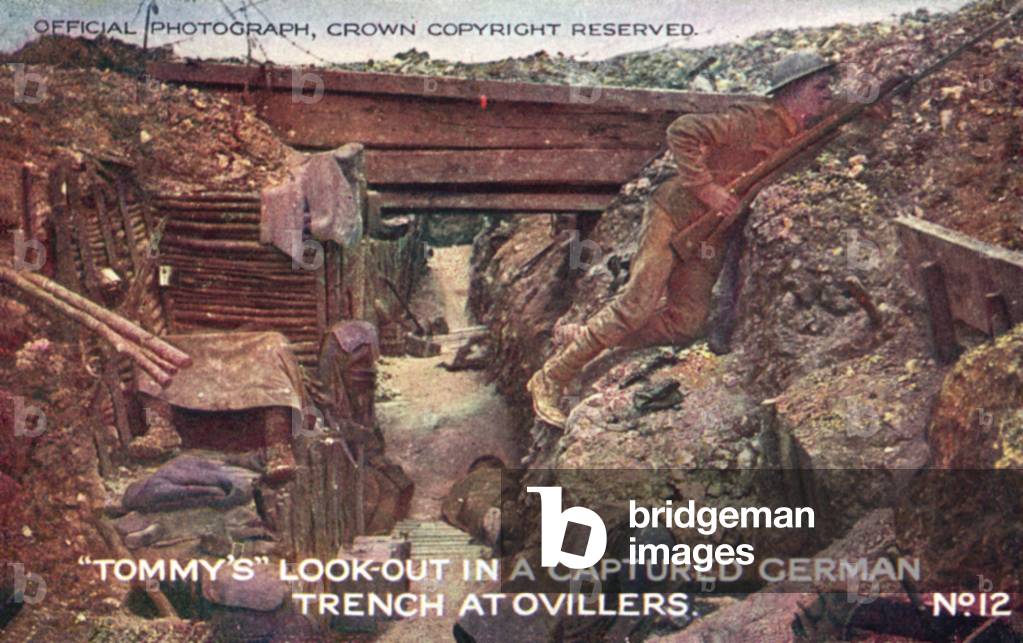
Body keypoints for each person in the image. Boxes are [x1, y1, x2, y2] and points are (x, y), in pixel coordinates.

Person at [528, 51, 839, 427]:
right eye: (820, 87)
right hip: (674, 213)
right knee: (636, 305)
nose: (828, 94)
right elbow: (682, 131)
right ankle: (551, 377)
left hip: (710, 231)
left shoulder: (802, 129)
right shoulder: (751, 122)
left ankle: (588, 338)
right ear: (793, 91)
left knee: (685, 323)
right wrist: (706, 187)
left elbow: (842, 108)